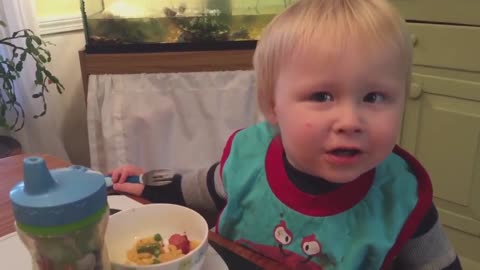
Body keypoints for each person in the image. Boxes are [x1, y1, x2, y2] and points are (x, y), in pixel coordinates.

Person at [109, 0, 462, 269]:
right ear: (272, 106)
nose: (351, 120)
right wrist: (146, 184)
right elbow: (198, 189)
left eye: (374, 97)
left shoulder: (402, 199)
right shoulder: (249, 158)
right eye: (322, 96)